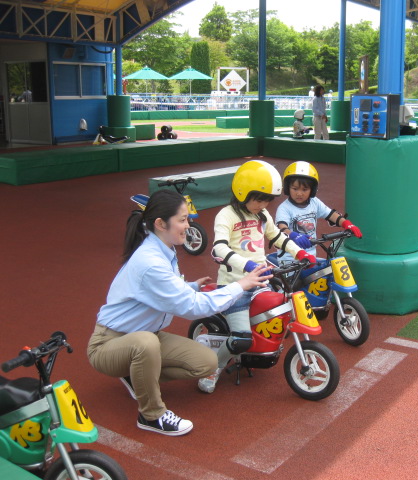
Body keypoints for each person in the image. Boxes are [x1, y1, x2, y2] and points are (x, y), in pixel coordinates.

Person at [87, 189, 271, 437]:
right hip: (109, 343)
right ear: (160, 223)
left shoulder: (163, 248)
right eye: (183, 220)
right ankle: (152, 415)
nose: (188, 225)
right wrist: (241, 285)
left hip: (145, 335)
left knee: (206, 363)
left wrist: (191, 286)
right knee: (146, 343)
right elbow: (194, 307)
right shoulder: (150, 261)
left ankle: (136, 375)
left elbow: (162, 291)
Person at [200, 160, 316, 393]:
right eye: (259, 199)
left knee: (277, 313)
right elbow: (219, 248)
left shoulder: (262, 214)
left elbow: (277, 237)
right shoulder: (226, 215)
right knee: (241, 339)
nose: (263, 205)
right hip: (236, 286)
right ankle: (214, 368)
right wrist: (248, 265)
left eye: (267, 201)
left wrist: (300, 252)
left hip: (262, 280)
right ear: (242, 192)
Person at [271, 161, 362, 267]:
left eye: (305, 189)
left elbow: (331, 214)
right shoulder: (284, 208)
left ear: (312, 190)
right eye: (295, 189)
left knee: (329, 268)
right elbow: (281, 228)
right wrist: (293, 235)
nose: (299, 193)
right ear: (287, 187)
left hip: (311, 257)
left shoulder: (314, 202)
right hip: (290, 260)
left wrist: (346, 224)